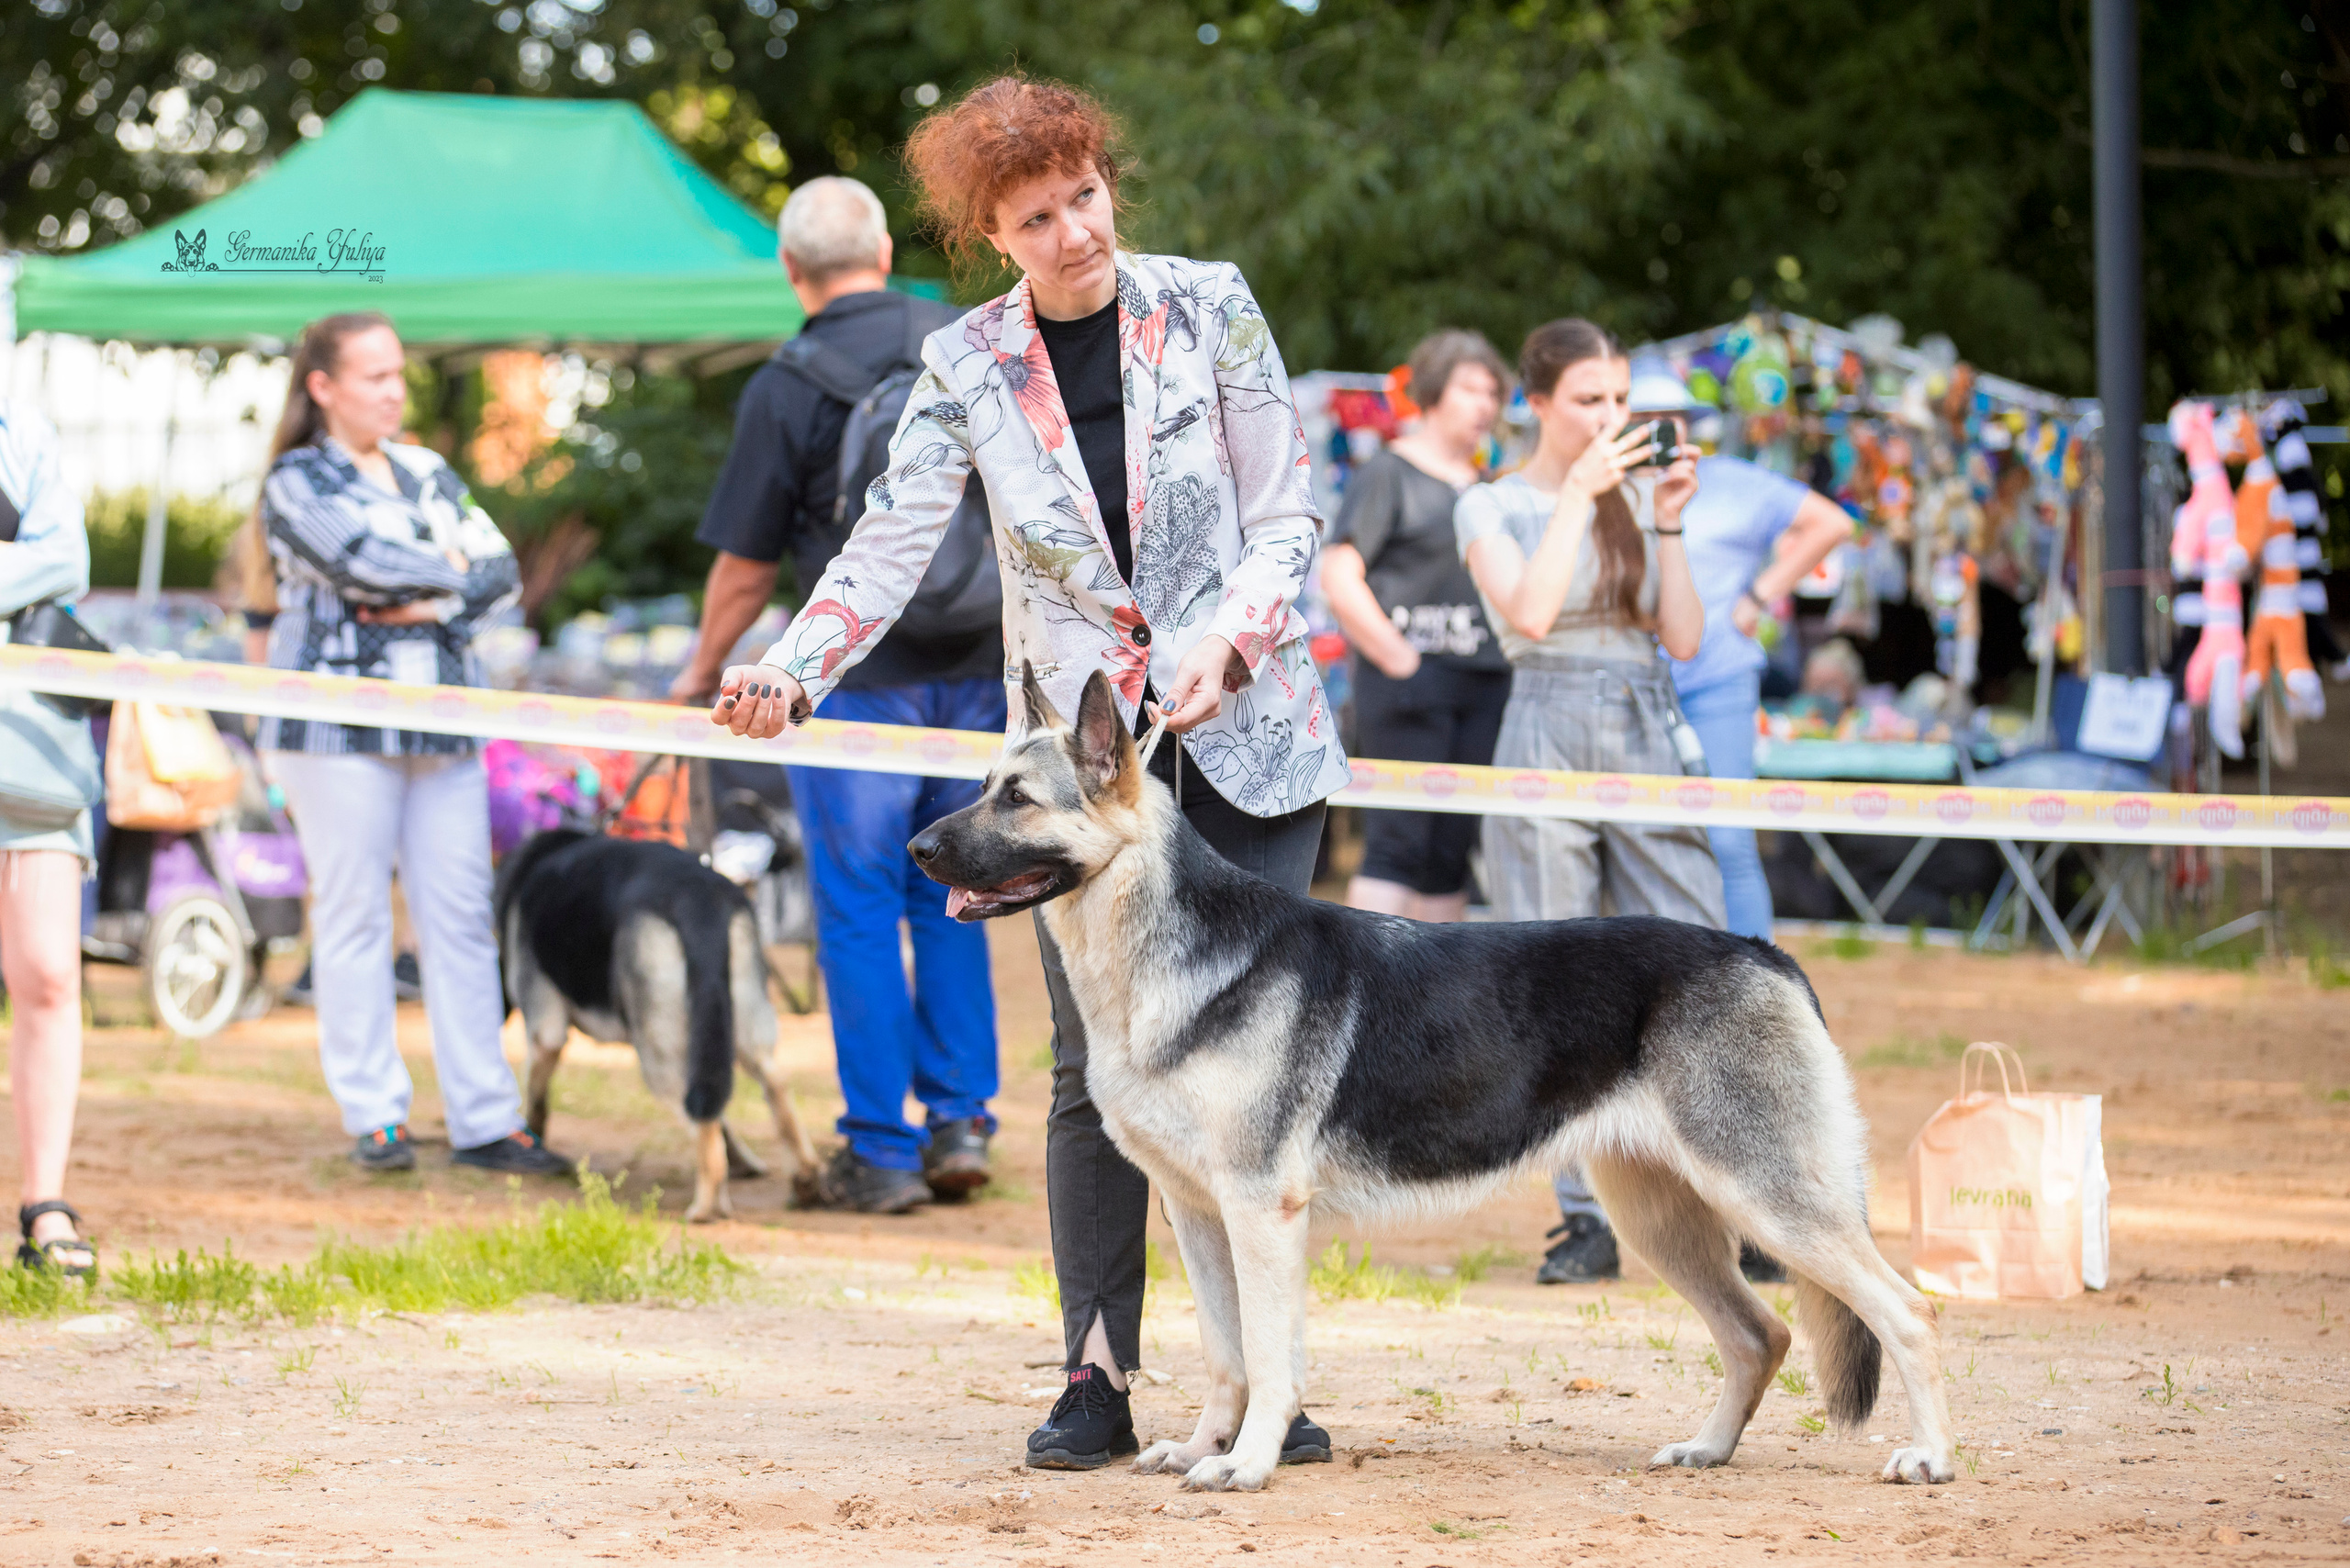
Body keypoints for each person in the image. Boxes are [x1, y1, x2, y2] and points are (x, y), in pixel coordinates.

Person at [711, 75, 1348, 1473]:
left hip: (1246, 728)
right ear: (992, 235)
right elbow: (884, 545)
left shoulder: (1214, 304)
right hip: (1081, 769)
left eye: (1084, 198)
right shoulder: (965, 367)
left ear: (1105, 182)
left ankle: (1266, 1387)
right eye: (1036, 217)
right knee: (1093, 1075)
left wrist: (1229, 643)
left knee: (1258, 1070)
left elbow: (1289, 510)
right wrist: (796, 669)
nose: (1073, 233)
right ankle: (1098, 1378)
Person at [670, 177, 1007, 1215]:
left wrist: (700, 669)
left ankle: (880, 1150)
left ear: (790, 270)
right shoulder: (967, 343)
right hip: (982, 668)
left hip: (855, 686)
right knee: (958, 893)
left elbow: (745, 568)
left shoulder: (788, 382)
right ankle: (959, 1120)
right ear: (882, 246)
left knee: (856, 908)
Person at [255, 312, 568, 1178]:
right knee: (353, 914)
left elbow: (499, 571)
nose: (395, 391)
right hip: (334, 729)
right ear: (322, 386)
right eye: (374, 376)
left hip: (441, 722)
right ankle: (375, 1114)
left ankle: (485, 1121)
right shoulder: (293, 480)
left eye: (399, 374)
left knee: (462, 919)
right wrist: (447, 572)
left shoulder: (428, 470)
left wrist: (435, 592)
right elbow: (359, 563)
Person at [1452, 319, 1718, 1286]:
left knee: (1693, 945)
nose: (1611, 419)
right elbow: (1527, 611)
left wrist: (1671, 516)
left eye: (1621, 400)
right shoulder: (1489, 505)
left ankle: (1733, 1195)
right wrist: (1579, 495)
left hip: (1643, 713)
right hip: (1544, 719)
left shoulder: (1636, 495)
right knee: (1547, 964)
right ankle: (1584, 1218)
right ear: (1538, 404)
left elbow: (1682, 636)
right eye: (1588, 401)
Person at [1629, 358, 1852, 943]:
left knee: (1728, 836)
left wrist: (1760, 595)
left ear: (1688, 424)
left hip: (1717, 676)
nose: (1656, 429)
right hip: (1627, 680)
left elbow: (1831, 523)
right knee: (1639, 835)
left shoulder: (1733, 480)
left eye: (1668, 418)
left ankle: (1759, 978)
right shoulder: (1597, 490)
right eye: (1642, 417)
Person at [1319, 330, 1512, 922]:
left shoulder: (1488, 489)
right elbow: (1338, 572)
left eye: (1493, 392)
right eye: (1470, 389)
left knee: (1450, 853)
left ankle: (1440, 1008)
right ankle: (1370, 1004)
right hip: (1406, 682)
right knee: (1397, 846)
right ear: (1432, 391)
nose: (1485, 404)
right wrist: (1400, 660)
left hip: (1483, 683)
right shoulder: (1389, 472)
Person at [0, 401, 98, 1274]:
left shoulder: (22, 432)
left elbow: (68, 558)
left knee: (48, 970)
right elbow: (40, 560)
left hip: (26, 749)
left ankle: (45, 1206)